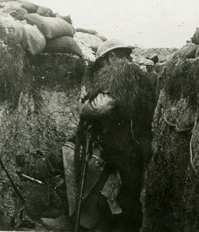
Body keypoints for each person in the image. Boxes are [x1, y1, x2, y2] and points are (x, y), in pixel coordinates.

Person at [30, 39, 156, 232]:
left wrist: (84, 106)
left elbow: (101, 106)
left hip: (120, 150)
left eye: (102, 64)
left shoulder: (120, 72)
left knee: (76, 160)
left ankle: (76, 221)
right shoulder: (139, 77)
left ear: (112, 57)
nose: (101, 70)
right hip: (134, 148)